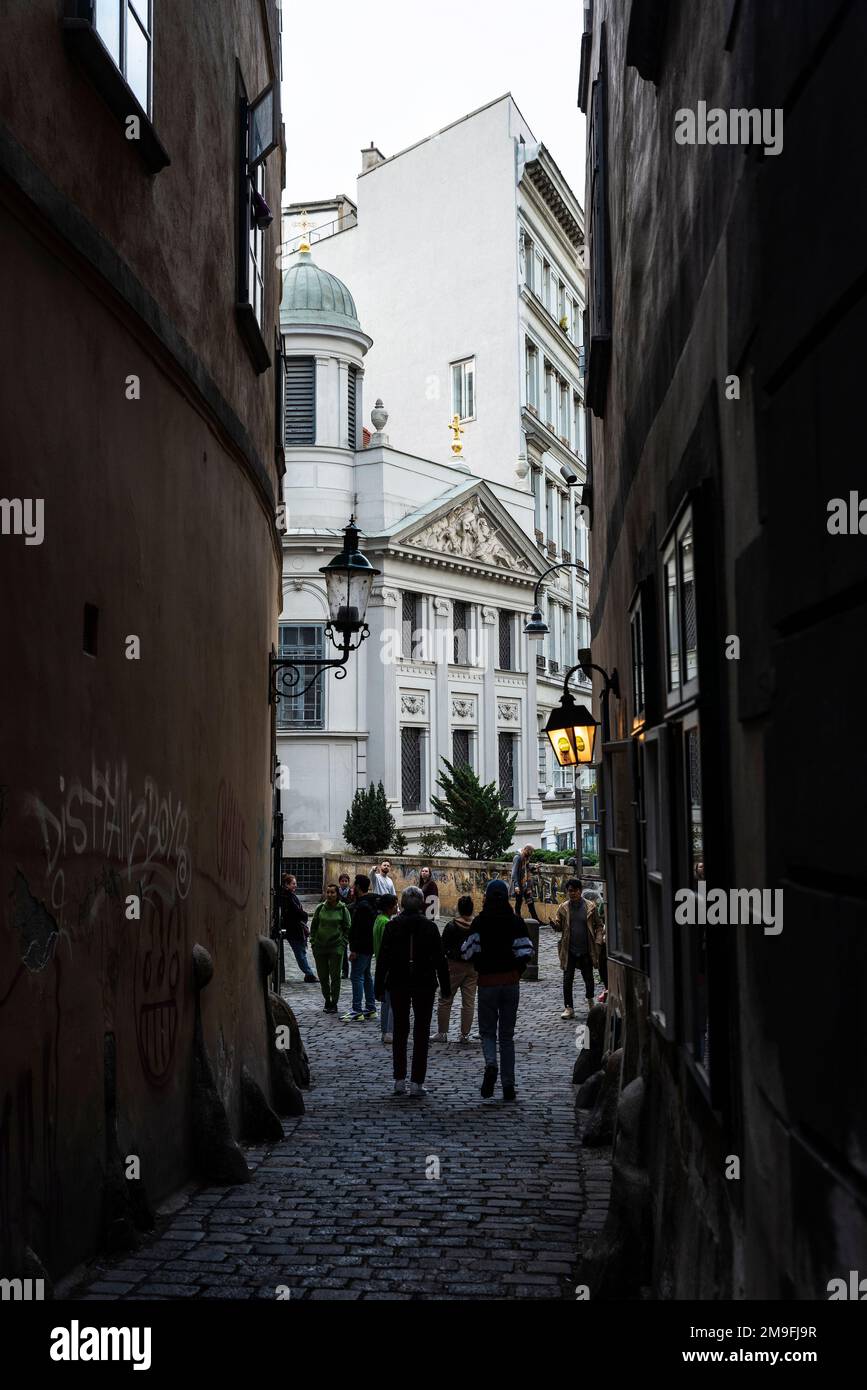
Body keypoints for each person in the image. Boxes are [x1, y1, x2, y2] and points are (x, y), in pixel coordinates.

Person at [374, 886, 450, 1097]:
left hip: (398, 981)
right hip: (423, 983)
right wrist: (445, 987)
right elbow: (440, 960)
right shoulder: (429, 927)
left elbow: (383, 959)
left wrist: (378, 986)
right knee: (422, 1031)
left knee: (400, 1030)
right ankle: (417, 1081)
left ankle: (399, 1079)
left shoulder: (392, 926)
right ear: (422, 904)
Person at [461, 879, 533, 1102]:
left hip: (487, 983)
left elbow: (467, 952)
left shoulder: (480, 922)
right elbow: (526, 952)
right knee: (507, 1037)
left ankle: (491, 1063)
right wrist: (516, 972)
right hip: (510, 982)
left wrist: (481, 963)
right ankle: (509, 1086)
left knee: (488, 1032)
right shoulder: (516, 922)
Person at [553, 878, 601, 1019]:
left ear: (580, 891)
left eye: (574, 891)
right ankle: (569, 1007)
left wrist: (598, 942)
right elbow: (559, 926)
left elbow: (599, 925)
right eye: (569, 891)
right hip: (569, 949)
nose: (572, 894)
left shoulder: (590, 906)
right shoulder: (563, 908)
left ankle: (590, 1001)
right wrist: (555, 925)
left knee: (589, 978)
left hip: (586, 948)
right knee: (567, 979)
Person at [433, 894, 477, 1043]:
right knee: (468, 1002)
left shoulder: (451, 926)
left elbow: (442, 947)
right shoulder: (476, 925)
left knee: (445, 998)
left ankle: (442, 1032)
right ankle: (464, 1035)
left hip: (454, 966)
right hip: (472, 967)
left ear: (458, 908)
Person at [310, 883, 351, 1014]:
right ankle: (327, 999)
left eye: (332, 892)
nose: (330, 895)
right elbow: (314, 926)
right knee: (323, 976)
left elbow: (347, 927)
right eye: (328, 892)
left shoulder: (342, 909)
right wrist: (313, 942)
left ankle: (334, 1002)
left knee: (335, 977)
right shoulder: (320, 908)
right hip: (320, 947)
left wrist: (343, 943)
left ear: (337, 894)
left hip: (336, 947)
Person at [344, 873, 379, 1021]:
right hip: (369, 946)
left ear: (358, 887)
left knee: (356, 976)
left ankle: (357, 1010)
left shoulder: (362, 906)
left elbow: (359, 930)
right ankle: (370, 1008)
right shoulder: (370, 902)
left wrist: (354, 950)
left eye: (353, 885)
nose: (352, 887)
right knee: (366, 976)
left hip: (362, 947)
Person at [277, 873, 318, 983]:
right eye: (293, 884)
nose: (295, 886)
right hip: (294, 929)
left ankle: (308, 973)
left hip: (296, 929)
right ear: (286, 884)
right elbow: (296, 912)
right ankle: (309, 974)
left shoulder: (289, 895)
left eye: (295, 883)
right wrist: (304, 915)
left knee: (301, 952)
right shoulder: (288, 897)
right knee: (300, 952)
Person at [373, 893, 399, 1044]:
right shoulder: (386, 923)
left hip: (381, 964)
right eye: (395, 905)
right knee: (391, 1002)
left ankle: (385, 1030)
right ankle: (389, 1031)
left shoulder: (378, 920)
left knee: (385, 1002)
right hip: (389, 965)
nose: (397, 907)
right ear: (390, 907)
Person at [510, 844, 540, 921]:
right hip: (519, 885)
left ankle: (536, 920)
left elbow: (527, 869)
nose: (532, 853)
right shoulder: (518, 857)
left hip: (526, 885)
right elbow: (514, 872)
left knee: (530, 902)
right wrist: (516, 885)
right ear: (526, 849)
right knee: (518, 902)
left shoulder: (525, 858)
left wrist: (534, 867)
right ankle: (518, 920)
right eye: (531, 851)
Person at [337, 873, 353, 977]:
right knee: (343, 948)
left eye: (346, 881)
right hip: (340, 922)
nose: (344, 883)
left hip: (350, 922)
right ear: (339, 882)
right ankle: (344, 970)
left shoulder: (351, 893)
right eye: (342, 881)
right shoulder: (336, 892)